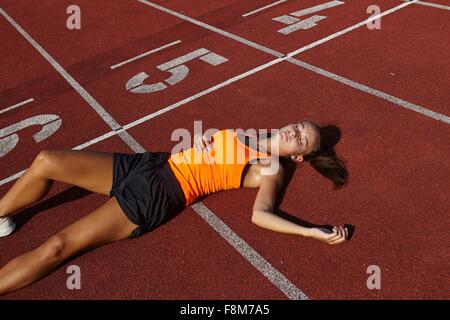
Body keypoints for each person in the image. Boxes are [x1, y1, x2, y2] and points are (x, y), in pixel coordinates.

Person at [0, 120, 348, 295]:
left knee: (56, 247)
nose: (295, 133)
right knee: (46, 160)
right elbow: (213, 148)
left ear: (299, 155)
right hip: (151, 165)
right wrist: (204, 139)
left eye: (302, 140)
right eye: (299, 126)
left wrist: (310, 231)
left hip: (161, 194)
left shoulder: (271, 167)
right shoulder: (250, 134)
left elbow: (261, 214)